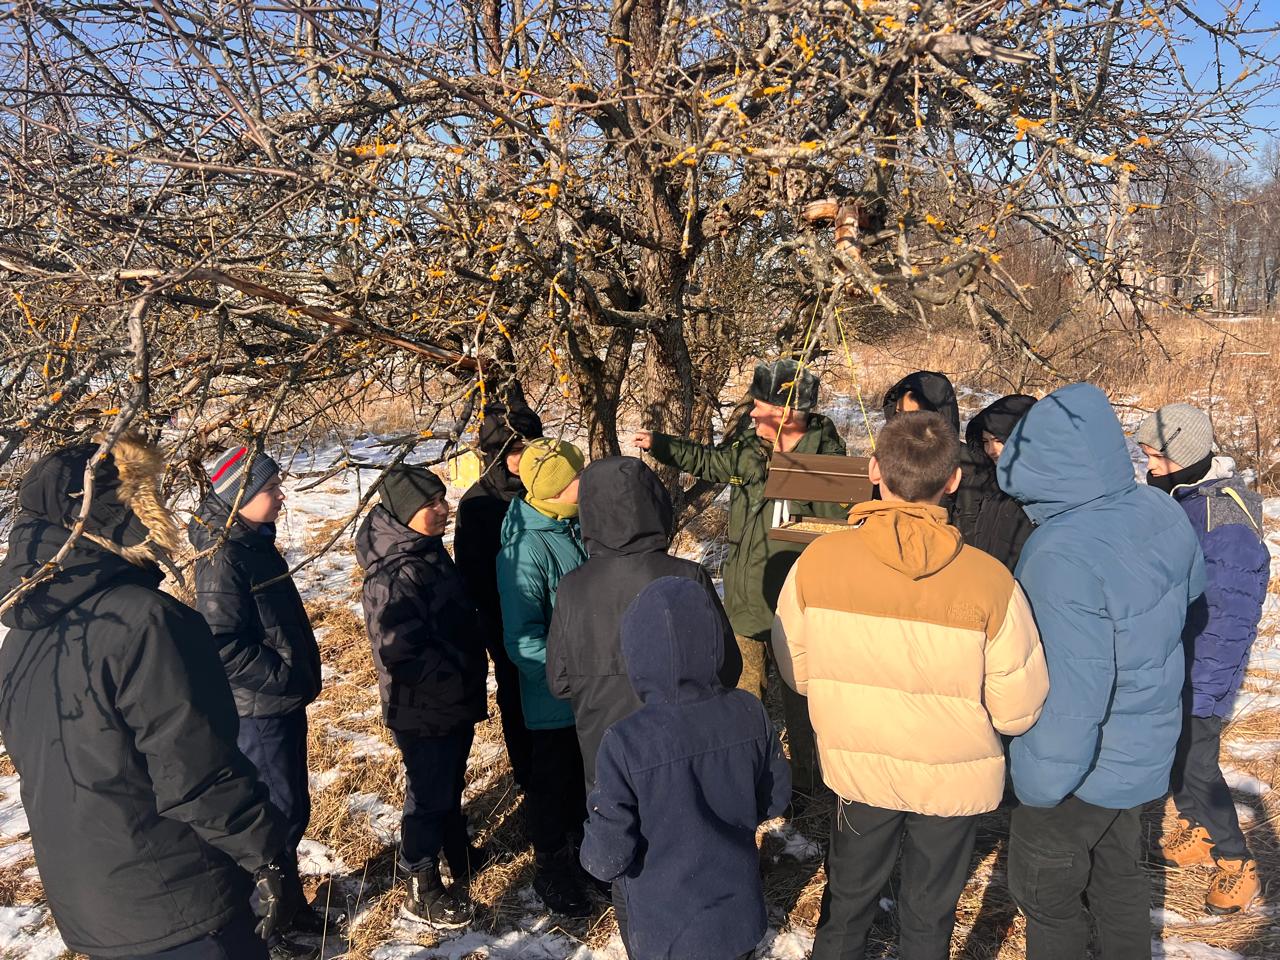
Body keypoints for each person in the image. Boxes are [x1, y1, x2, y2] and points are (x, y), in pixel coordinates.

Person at [0, 436, 291, 960]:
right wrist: (267, 857)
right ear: (116, 510)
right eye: (144, 495)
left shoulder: (21, 641)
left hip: (91, 905)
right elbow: (196, 772)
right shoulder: (147, 621)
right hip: (180, 901)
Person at [773, 411, 1049, 960]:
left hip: (858, 766)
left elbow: (798, 672)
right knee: (929, 916)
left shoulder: (818, 561)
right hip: (953, 779)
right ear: (952, 481)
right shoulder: (991, 580)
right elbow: (1018, 709)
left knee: (847, 904)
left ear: (873, 469)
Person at [998, 383, 1205, 960]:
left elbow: (1072, 693)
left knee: (1045, 895)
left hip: (1080, 770)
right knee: (1117, 879)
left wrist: (1039, 790)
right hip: (1143, 746)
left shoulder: (1059, 552)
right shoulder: (1158, 506)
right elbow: (1191, 594)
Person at [633, 358, 844, 803]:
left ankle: (806, 790)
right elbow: (711, 461)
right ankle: (746, 781)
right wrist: (661, 445)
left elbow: (838, 533)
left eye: (760, 406)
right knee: (745, 697)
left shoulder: (830, 461)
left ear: (786, 414)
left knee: (802, 704)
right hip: (747, 599)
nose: (750, 414)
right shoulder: (749, 448)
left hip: (799, 606)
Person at [580, 577, 791, 960]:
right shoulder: (749, 712)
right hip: (738, 919)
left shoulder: (626, 741)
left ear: (636, 653)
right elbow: (774, 799)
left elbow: (606, 857)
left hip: (666, 933)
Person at [188, 445, 326, 939]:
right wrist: (282, 677)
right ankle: (267, 926)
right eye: (270, 490)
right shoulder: (225, 555)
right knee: (276, 813)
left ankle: (289, 904)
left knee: (291, 807)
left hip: (278, 702)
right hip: (259, 710)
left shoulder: (252, 540)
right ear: (238, 496)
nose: (281, 497)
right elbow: (221, 640)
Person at [1138, 403, 1269, 915]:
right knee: (1178, 755)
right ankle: (1198, 827)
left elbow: (1229, 618)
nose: (1149, 467)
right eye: (1146, 456)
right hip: (1177, 659)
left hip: (1202, 669)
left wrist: (1204, 688)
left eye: (1157, 458)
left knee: (1198, 764)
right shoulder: (1183, 497)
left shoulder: (1224, 520)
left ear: (1187, 456)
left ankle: (1237, 861)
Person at [546, 456, 741, 793]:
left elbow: (560, 682)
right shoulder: (686, 576)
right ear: (656, 503)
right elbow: (727, 666)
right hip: (683, 751)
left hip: (605, 756)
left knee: (617, 838)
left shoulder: (573, 587)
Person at [357, 465, 490, 927]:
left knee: (449, 782)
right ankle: (421, 884)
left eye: (442, 498)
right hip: (422, 706)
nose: (443, 508)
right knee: (428, 793)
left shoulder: (426, 550)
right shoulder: (392, 572)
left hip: (450, 699)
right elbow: (401, 650)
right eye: (431, 503)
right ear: (405, 511)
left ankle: (459, 854)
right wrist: (453, 680)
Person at [495, 437, 592, 916]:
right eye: (578, 478)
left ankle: (587, 857)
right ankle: (552, 869)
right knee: (553, 785)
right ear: (556, 490)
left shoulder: (571, 526)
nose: (586, 482)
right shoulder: (526, 548)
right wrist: (565, 683)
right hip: (555, 696)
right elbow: (522, 637)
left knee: (583, 781)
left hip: (588, 691)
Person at [455, 402, 543, 789]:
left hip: (555, 619)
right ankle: (528, 775)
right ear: (494, 454)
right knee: (516, 697)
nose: (523, 459)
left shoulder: (548, 488)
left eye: (530, 447)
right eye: (514, 451)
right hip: (506, 625)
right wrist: (503, 619)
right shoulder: (478, 505)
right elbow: (472, 576)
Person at [956, 394, 1037, 571]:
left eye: (999, 441)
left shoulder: (1039, 492)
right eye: (986, 442)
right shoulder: (990, 485)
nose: (991, 450)